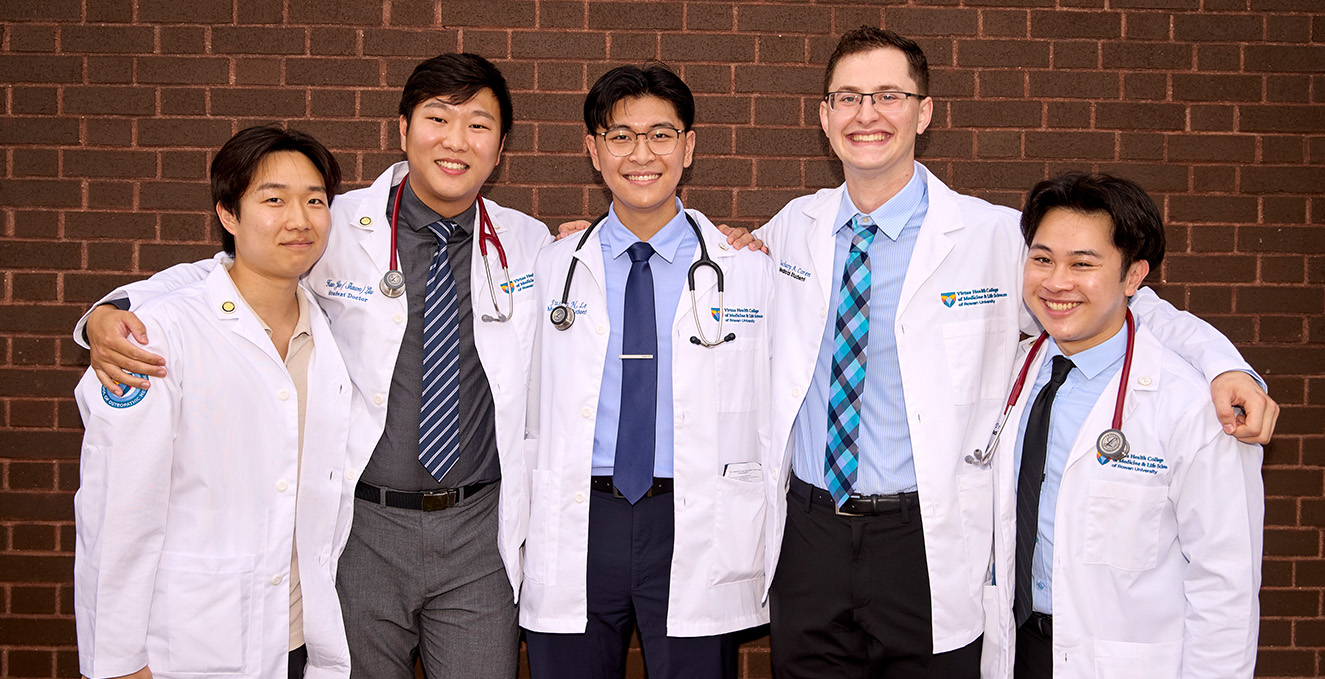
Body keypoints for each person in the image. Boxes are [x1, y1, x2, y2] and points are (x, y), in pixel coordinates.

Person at [753, 27, 1277, 678]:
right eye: (848, 96)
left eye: (888, 94)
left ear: (924, 111)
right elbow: (713, 273)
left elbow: (1118, 303)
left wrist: (1227, 365)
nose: (867, 114)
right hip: (810, 532)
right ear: (824, 113)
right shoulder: (790, 231)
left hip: (925, 535)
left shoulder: (993, 236)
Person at [75, 54, 552, 678]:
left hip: (477, 531)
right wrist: (110, 310)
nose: (455, 140)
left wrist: (722, 249)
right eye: (438, 118)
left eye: (478, 125)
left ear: (501, 146)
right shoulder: (332, 224)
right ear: (404, 129)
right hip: (363, 530)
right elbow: (225, 272)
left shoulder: (529, 243)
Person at [74, 126, 360, 679]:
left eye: (315, 201)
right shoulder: (159, 336)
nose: (298, 219)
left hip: (298, 635)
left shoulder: (328, 331)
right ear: (228, 214)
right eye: (273, 199)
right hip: (189, 641)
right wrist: (117, 661)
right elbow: (117, 512)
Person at [519, 64, 776, 679]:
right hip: (581, 517)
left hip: (690, 518)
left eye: (661, 135)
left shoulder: (746, 270)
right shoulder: (549, 267)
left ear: (689, 147)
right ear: (593, 150)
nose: (642, 154)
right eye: (621, 136)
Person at [985, 172, 1263, 678]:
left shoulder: (1193, 407)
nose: (1056, 282)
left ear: (1134, 277)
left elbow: (1226, 586)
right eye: (1042, 258)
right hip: (1014, 650)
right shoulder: (1013, 371)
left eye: (1083, 264)